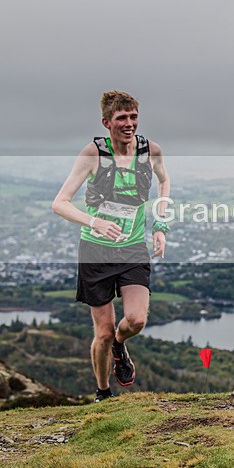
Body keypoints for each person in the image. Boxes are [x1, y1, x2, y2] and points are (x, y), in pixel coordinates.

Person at [52, 90, 170, 402]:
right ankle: (103, 393)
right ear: (107, 123)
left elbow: (164, 181)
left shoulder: (150, 150)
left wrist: (160, 226)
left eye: (133, 117)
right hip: (95, 251)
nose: (129, 123)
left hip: (132, 249)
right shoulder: (93, 155)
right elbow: (60, 204)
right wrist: (95, 222)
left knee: (136, 320)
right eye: (122, 118)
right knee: (101, 332)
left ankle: (121, 343)